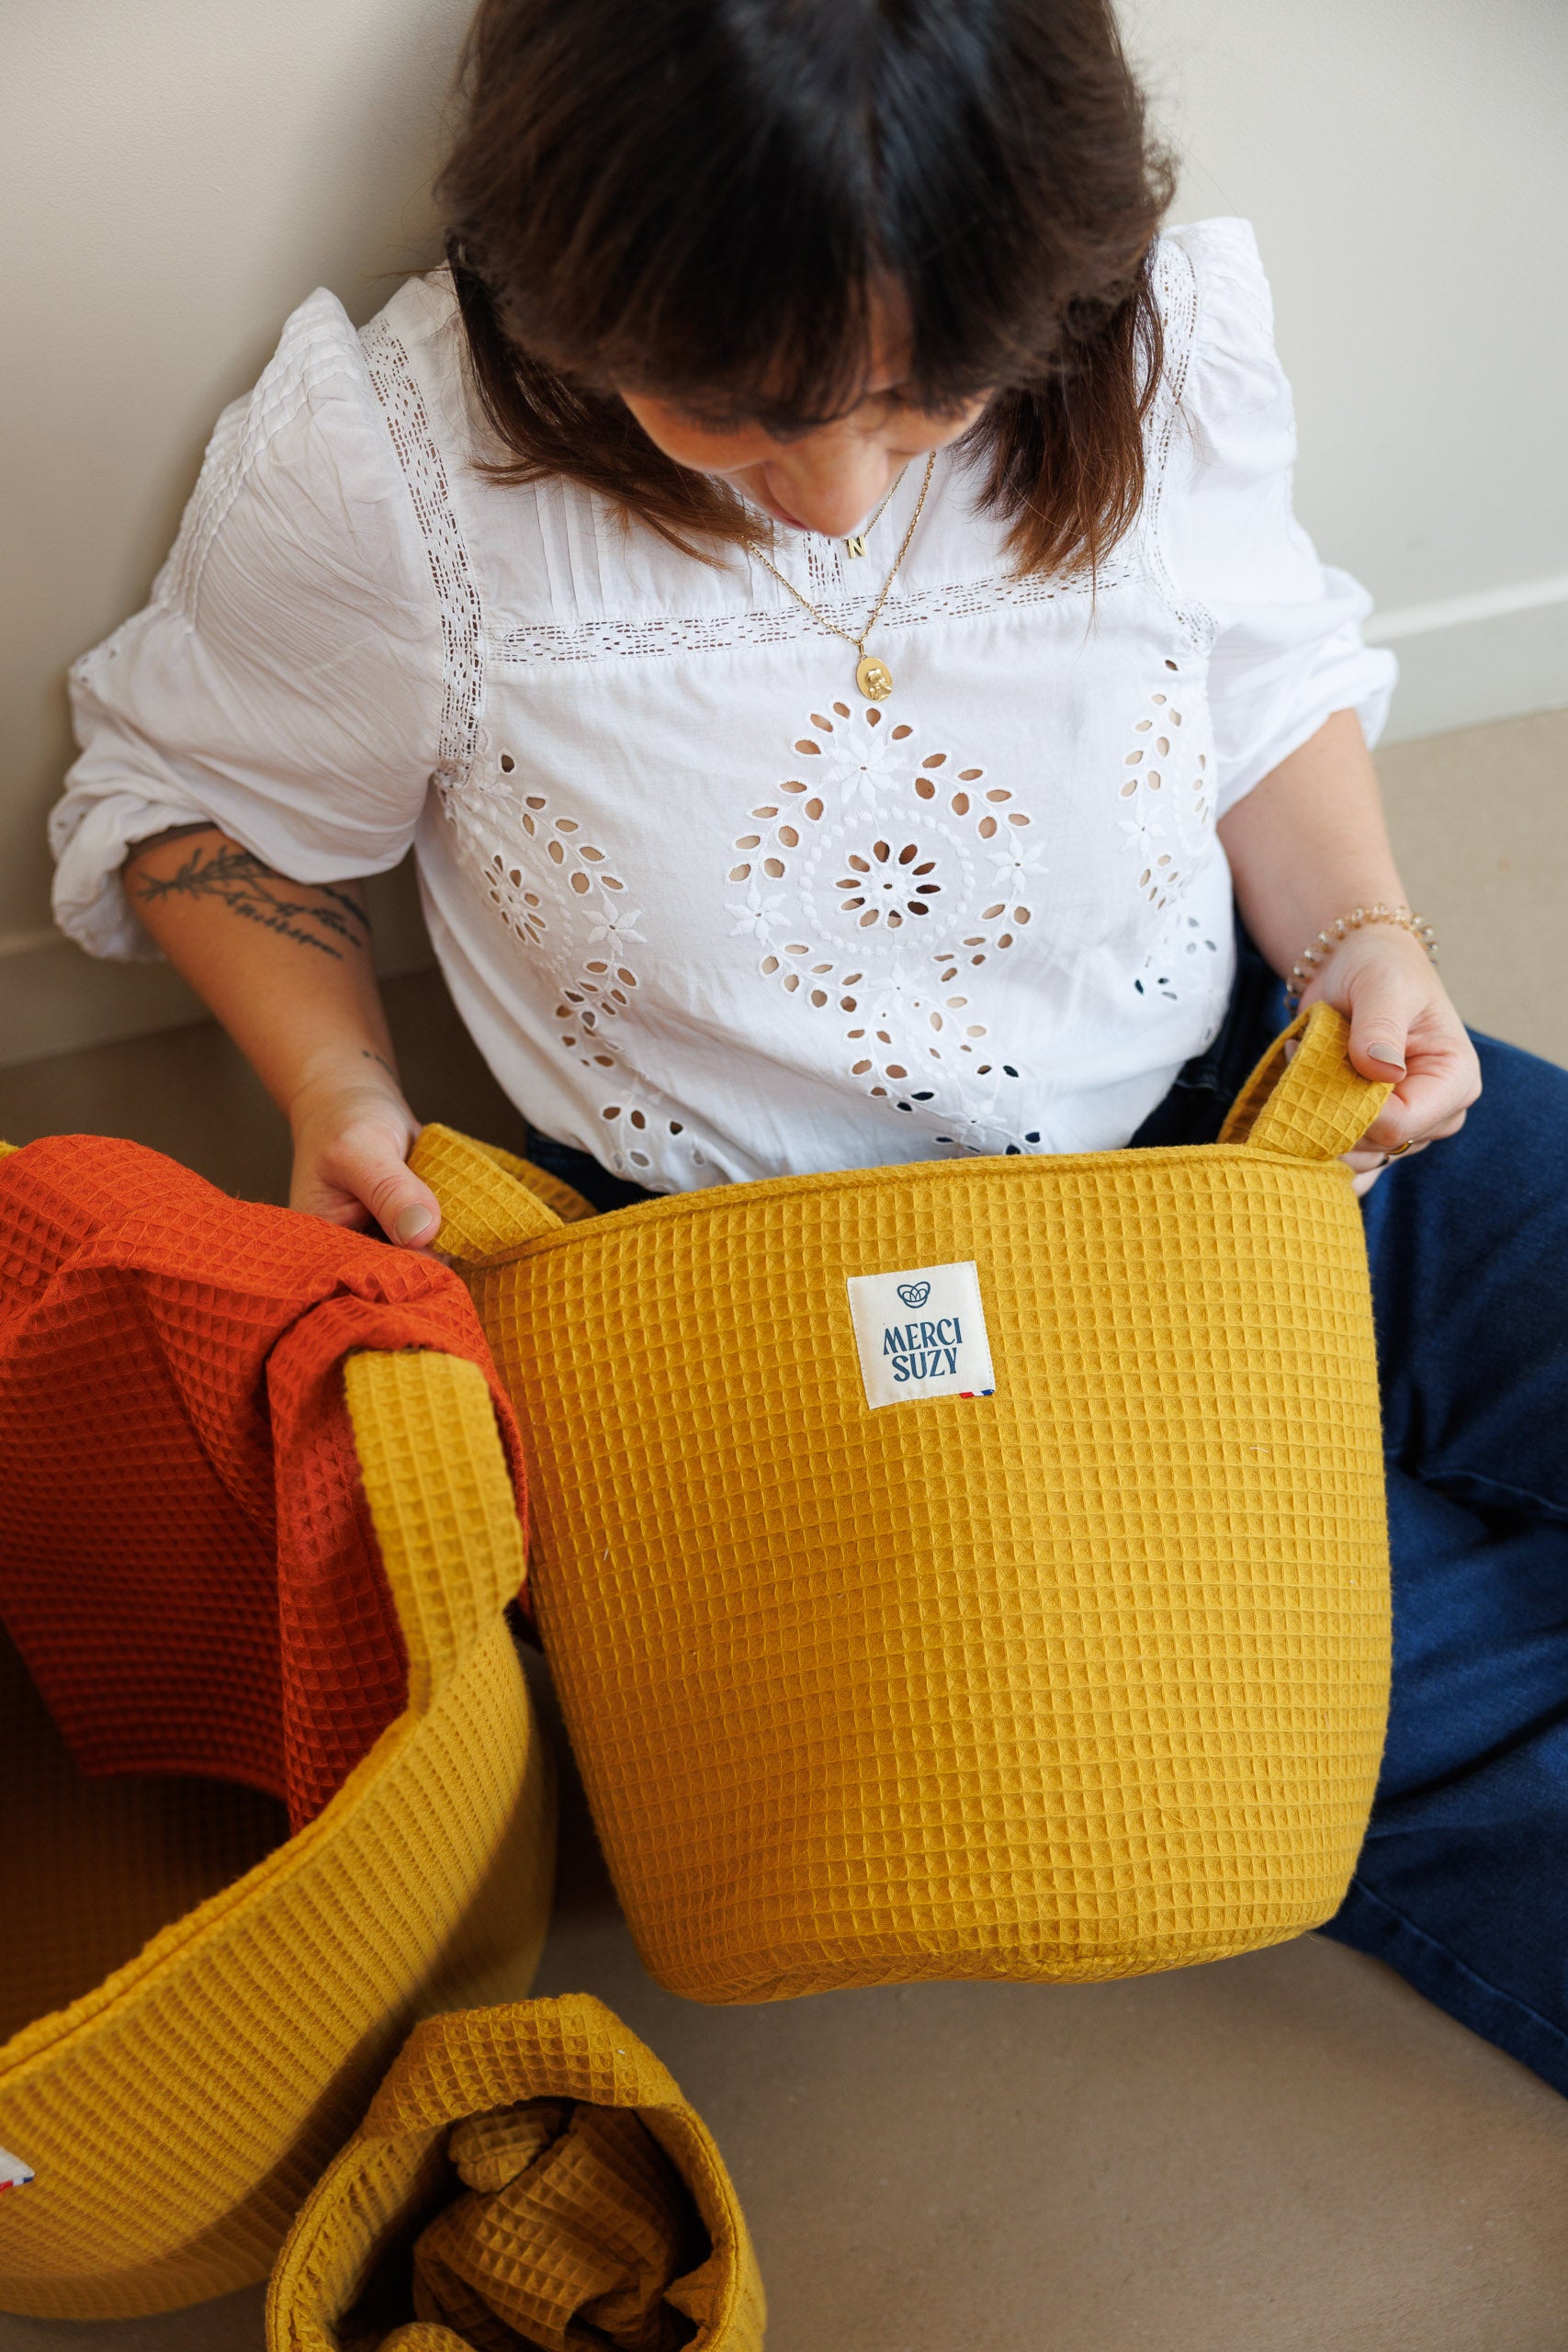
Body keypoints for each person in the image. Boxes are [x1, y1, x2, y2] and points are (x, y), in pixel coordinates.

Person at [50, 0, 1568, 2100]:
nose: (834, 493)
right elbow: (198, 803)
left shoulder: (1148, 334)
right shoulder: (394, 468)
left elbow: (1250, 674)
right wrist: (340, 1088)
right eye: (732, 413)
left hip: (1241, 1108)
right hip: (791, 1309)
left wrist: (1360, 936)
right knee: (1388, 1690)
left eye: (927, 402)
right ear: (577, 287)